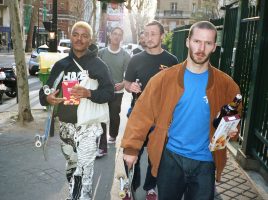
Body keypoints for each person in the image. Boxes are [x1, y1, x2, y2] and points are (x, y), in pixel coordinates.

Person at [121, 21, 241, 200]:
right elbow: (141, 113)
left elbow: (235, 115)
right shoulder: (164, 79)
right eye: (197, 41)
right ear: (187, 42)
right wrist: (131, 148)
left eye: (208, 43)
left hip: (206, 161)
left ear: (214, 47)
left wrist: (232, 130)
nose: (201, 48)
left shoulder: (226, 84)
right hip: (171, 159)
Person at [39, 21, 114, 200]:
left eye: (84, 35)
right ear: (70, 37)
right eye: (76, 34)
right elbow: (46, 89)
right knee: (72, 166)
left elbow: (109, 93)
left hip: (89, 126)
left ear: (90, 40)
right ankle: (75, 193)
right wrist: (47, 97)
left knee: (85, 169)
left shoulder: (98, 65)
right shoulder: (61, 64)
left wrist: (89, 93)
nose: (79, 39)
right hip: (66, 125)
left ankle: (80, 197)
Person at [124, 20, 178, 200]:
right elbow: (126, 83)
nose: (148, 37)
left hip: (161, 118)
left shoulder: (172, 61)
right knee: (132, 152)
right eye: (146, 34)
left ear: (162, 36)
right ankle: (131, 185)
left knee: (156, 155)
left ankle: (150, 187)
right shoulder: (135, 59)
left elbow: (177, 90)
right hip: (137, 114)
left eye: (153, 33)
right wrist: (130, 86)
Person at [96, 27, 130, 157]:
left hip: (117, 92)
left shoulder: (125, 55)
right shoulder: (101, 53)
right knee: (102, 115)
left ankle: (113, 135)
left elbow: (130, 75)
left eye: (119, 35)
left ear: (121, 38)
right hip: (103, 90)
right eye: (114, 34)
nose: (116, 36)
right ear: (110, 36)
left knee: (114, 115)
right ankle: (101, 140)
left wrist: (122, 83)